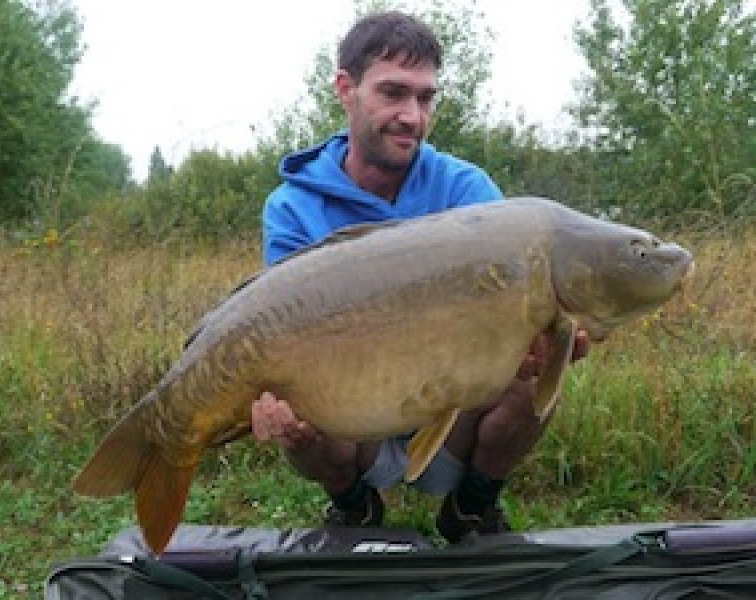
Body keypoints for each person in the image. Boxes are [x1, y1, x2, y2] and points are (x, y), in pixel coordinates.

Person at [252, 10, 589, 543]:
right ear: (346, 88)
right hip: (354, 419)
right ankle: (354, 505)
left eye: (425, 98)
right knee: (294, 414)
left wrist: (538, 342)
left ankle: (472, 505)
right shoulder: (294, 208)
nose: (411, 115)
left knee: (537, 377)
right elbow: (283, 336)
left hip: (455, 415)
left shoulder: (466, 191)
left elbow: (515, 311)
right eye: (393, 93)